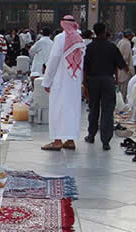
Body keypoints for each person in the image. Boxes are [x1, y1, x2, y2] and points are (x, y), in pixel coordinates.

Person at [41, 16, 85, 151]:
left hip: (61, 80)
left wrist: (47, 81)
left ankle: (57, 141)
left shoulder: (61, 38)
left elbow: (53, 60)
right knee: (72, 110)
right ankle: (70, 140)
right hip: (75, 81)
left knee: (58, 109)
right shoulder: (80, 38)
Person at [83, 23, 127, 151]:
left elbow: (84, 68)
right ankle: (106, 141)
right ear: (105, 31)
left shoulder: (89, 47)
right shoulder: (111, 47)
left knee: (93, 108)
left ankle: (91, 135)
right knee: (107, 110)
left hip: (93, 80)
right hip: (108, 80)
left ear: (94, 32)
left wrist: (85, 84)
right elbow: (121, 65)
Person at [117, 30, 135, 102]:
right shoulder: (127, 43)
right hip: (124, 71)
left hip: (120, 69)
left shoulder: (121, 42)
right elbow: (125, 58)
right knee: (123, 92)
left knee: (120, 92)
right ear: (129, 36)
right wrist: (128, 70)